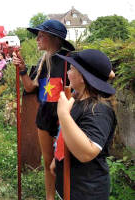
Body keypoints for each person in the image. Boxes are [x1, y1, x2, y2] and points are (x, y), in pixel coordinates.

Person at [12, 19, 75, 200]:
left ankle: (67, 194)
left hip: (66, 120)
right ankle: (50, 197)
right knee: (48, 162)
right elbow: (31, 87)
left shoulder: (70, 59)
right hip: (45, 117)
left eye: (42, 35)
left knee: (65, 163)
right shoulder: (43, 60)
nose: (37, 39)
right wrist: (22, 69)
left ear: (55, 38)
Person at [51, 49, 117, 200]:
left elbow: (87, 152)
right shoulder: (76, 99)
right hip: (69, 184)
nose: (67, 72)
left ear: (83, 77)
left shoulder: (99, 110)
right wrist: (58, 158)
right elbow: (66, 133)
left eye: (72, 68)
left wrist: (64, 115)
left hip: (86, 191)